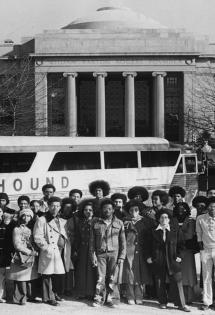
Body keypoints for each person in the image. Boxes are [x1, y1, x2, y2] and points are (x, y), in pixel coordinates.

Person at [146, 210, 190, 312]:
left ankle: (181, 304)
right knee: (159, 281)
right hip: (158, 259)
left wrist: (180, 256)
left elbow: (182, 245)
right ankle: (162, 302)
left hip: (173, 259)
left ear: (169, 219)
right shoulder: (153, 231)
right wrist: (149, 257)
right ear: (158, 219)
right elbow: (147, 246)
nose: (164, 219)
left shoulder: (176, 230)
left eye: (166, 217)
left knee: (177, 280)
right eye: (161, 217)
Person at [33, 196, 71, 306]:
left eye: (58, 206)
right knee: (47, 274)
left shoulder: (60, 219)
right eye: (53, 205)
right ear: (48, 206)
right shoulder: (42, 220)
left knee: (57, 274)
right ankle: (48, 297)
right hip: (50, 250)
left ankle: (54, 293)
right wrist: (47, 248)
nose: (55, 208)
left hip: (60, 251)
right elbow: (38, 237)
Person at [90, 199, 126, 308]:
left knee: (112, 278)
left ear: (113, 210)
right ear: (101, 210)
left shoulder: (119, 223)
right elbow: (91, 242)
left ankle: (113, 299)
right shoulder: (96, 223)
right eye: (105, 208)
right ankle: (99, 299)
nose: (107, 211)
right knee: (100, 277)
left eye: (110, 209)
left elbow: (123, 241)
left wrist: (121, 256)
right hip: (100, 254)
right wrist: (93, 255)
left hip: (114, 254)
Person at [122, 200, 152, 305]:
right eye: (131, 210)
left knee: (140, 272)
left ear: (139, 210)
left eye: (136, 209)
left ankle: (139, 295)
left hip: (141, 250)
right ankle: (130, 295)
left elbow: (149, 238)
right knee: (129, 272)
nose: (134, 211)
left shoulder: (145, 221)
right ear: (128, 211)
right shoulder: (125, 222)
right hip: (128, 250)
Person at [8, 208, 39, 305]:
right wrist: (30, 252)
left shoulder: (30, 228)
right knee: (20, 278)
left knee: (30, 277)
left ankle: (30, 296)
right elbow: (17, 245)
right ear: (21, 217)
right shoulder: (17, 229)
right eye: (24, 215)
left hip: (31, 257)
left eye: (29, 216)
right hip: (22, 256)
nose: (27, 218)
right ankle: (19, 298)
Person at [172, 202, 197, 304]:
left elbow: (189, 235)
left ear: (187, 210)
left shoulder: (191, 221)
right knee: (177, 274)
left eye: (183, 208)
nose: (181, 210)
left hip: (187, 250)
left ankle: (189, 297)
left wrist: (177, 238)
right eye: (178, 208)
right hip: (174, 250)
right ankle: (177, 298)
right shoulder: (172, 220)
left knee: (188, 274)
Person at [74, 199, 97, 299]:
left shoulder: (97, 222)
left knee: (92, 271)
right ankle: (82, 292)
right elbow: (77, 237)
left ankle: (92, 293)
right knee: (82, 270)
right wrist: (76, 249)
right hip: (83, 249)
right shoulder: (80, 222)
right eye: (86, 210)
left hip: (94, 249)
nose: (88, 212)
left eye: (90, 210)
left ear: (94, 211)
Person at [196, 197, 215, 310]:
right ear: (207, 207)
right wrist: (201, 249)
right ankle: (207, 301)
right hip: (206, 250)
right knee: (207, 276)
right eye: (211, 206)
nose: (213, 208)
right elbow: (198, 234)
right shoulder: (200, 218)